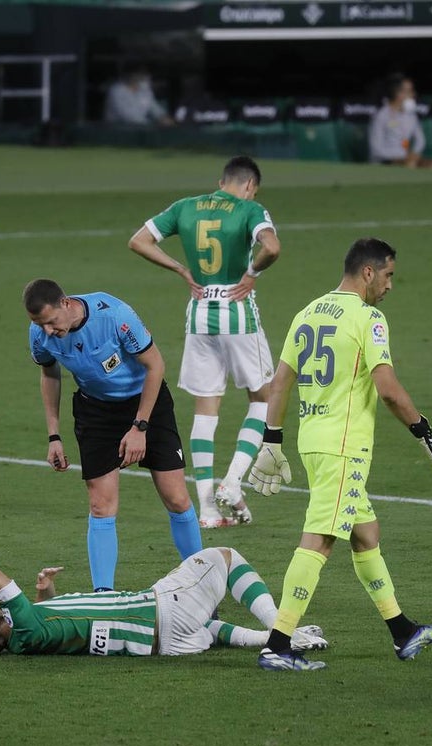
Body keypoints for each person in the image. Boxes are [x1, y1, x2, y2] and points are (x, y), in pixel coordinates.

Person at [245, 237, 432, 671]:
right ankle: (277, 645)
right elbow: (388, 389)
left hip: (314, 441)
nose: (391, 286)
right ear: (369, 272)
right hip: (343, 447)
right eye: (389, 275)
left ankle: (403, 632)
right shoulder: (367, 318)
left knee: (365, 533)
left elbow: (280, 382)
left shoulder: (308, 312)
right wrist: (424, 431)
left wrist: (272, 439)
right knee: (319, 541)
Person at [128, 156, 282, 528]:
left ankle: (208, 511)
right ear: (249, 185)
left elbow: (138, 241)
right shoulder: (250, 208)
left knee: (204, 409)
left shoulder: (186, 207)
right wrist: (252, 272)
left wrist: (181, 268)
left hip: (198, 314)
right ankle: (232, 481)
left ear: (221, 180)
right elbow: (272, 247)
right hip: (237, 311)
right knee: (264, 397)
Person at [24, 278, 203, 591]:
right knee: (100, 505)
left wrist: (140, 427)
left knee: (176, 497)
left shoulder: (115, 316)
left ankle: (204, 583)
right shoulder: (39, 334)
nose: (48, 331)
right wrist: (54, 435)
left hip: (146, 402)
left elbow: (156, 366)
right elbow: (49, 373)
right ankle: (103, 596)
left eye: (51, 321)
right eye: (41, 325)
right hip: (96, 412)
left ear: (66, 304)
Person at [0, 547, 329, 658]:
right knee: (226, 557)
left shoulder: (28, 632)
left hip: (169, 644)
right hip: (162, 611)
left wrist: (45, 595)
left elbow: (64, 623)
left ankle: (267, 640)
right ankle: (282, 633)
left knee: (210, 627)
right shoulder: (23, 626)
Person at [368, 74, 432, 169]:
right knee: (410, 165)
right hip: (384, 161)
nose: (413, 94)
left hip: (406, 158)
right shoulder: (381, 115)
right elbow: (375, 150)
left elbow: (420, 140)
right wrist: (400, 157)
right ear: (398, 94)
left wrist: (414, 153)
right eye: (409, 91)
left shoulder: (411, 116)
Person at [103, 67, 174, 127]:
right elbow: (129, 117)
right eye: (142, 77)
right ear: (132, 77)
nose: (147, 80)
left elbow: (154, 107)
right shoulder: (117, 91)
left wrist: (163, 117)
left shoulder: (145, 91)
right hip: (117, 129)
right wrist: (153, 124)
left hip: (139, 129)